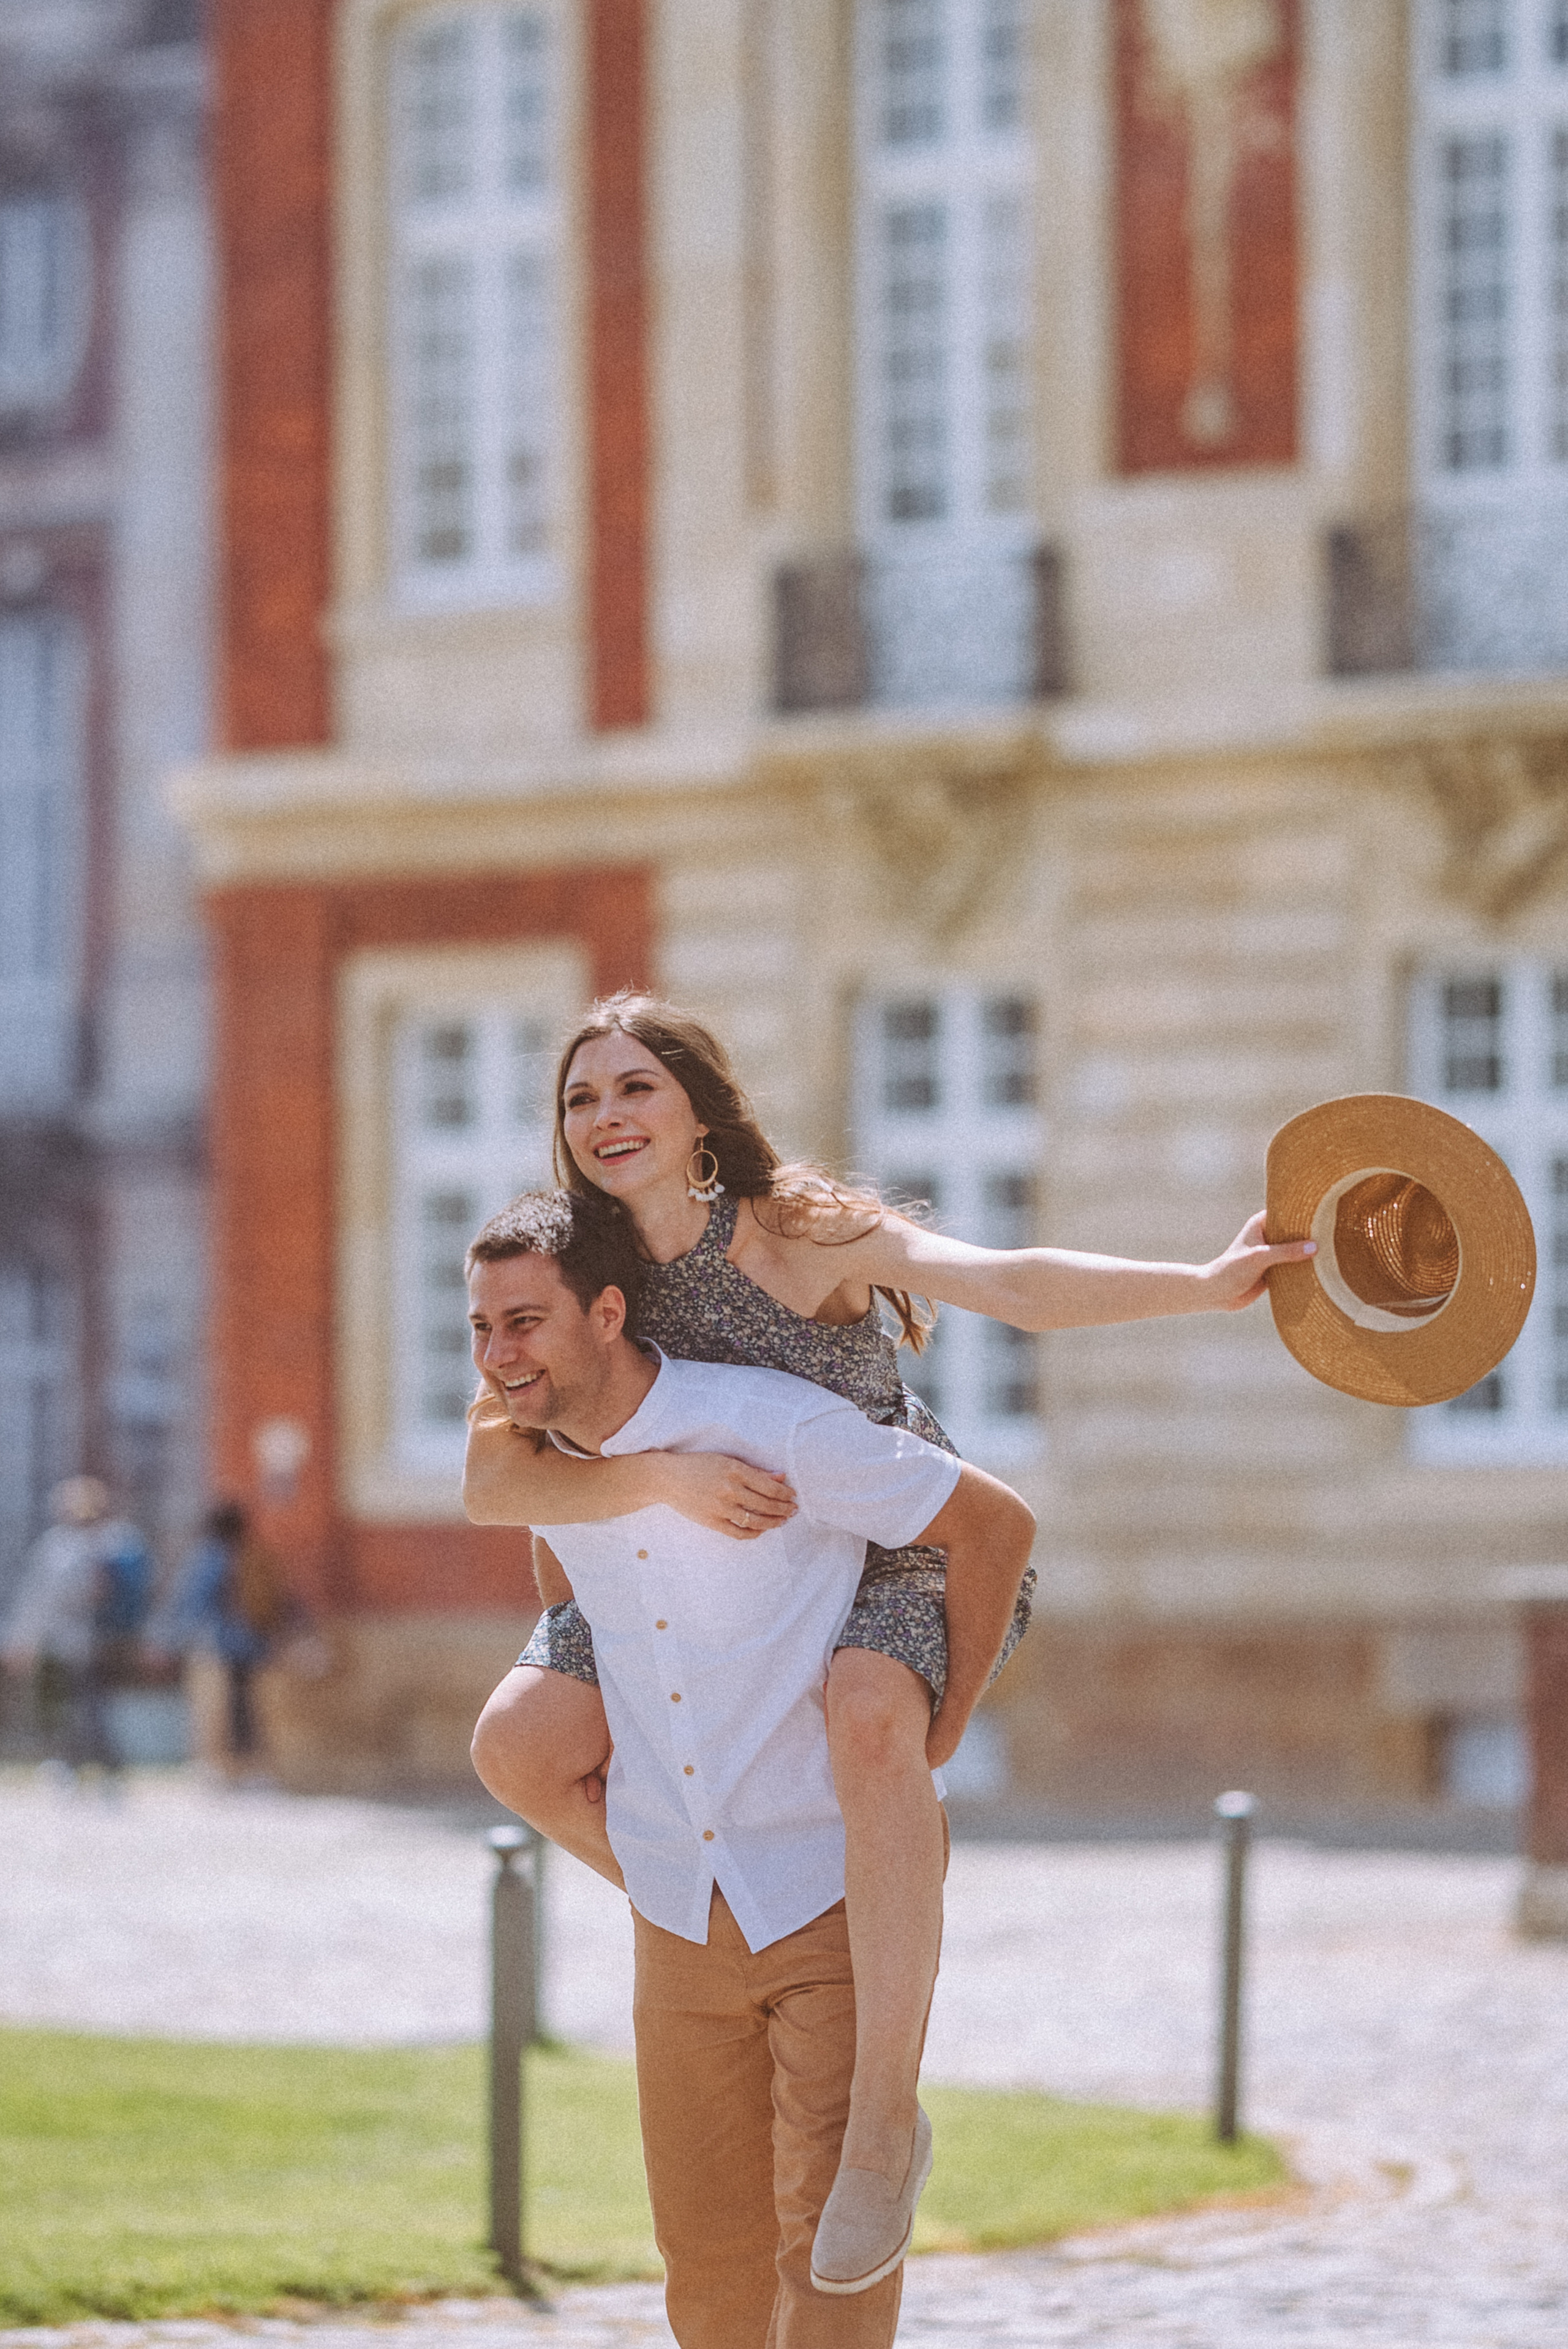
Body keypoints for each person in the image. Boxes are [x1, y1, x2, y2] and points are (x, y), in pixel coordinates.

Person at [466, 993, 1315, 2263]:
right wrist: (636, 1501)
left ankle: (877, 2128)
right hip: (691, 1563)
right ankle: (719, 1899)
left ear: (698, 1106)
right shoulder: (584, 1270)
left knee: (867, 1722)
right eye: (580, 1098)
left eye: (634, 1086)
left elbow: (1001, 1281)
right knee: (524, 1744)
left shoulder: (792, 1226)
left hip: (889, 1546)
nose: (605, 1116)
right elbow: (501, 1465)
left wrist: (1199, 1285)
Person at [467, 1189, 1036, 2339]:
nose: (496, 1352)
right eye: (480, 1325)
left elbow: (994, 1526)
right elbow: (566, 1584)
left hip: (822, 1899)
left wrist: (942, 1726)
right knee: (708, 2280)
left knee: (829, 2265)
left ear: (609, 1312)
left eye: (523, 1320)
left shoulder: (768, 1423)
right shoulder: (544, 1463)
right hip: (677, 1913)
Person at [1, 1477, 150, 1783]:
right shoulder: (119, 1540)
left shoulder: (70, 1546)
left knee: (80, 1706)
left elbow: (42, 1598)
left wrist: (23, 1639)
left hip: (80, 1641)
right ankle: (92, 1766)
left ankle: (86, 1766)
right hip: (89, 1641)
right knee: (85, 1705)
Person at [149, 1502, 299, 1783]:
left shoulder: (210, 1557)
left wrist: (167, 1641)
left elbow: (191, 1602)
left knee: (230, 1707)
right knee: (244, 1705)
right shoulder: (253, 1552)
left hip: (225, 1643)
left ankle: (234, 1769)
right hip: (257, 1641)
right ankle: (253, 1770)